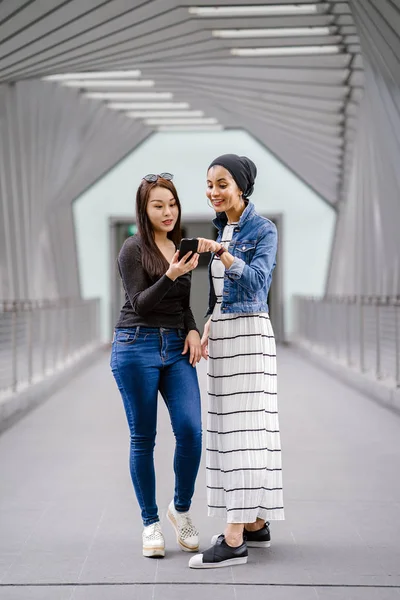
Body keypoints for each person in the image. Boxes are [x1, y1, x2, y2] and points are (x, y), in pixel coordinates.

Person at [189, 155, 284, 569]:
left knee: (246, 431)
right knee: (240, 428)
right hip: (226, 331)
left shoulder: (263, 229)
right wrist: (211, 320)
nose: (214, 191)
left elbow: (260, 282)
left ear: (241, 186)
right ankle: (256, 523)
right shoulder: (222, 227)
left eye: (222, 183)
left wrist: (224, 255)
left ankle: (233, 540)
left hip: (249, 334)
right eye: (209, 184)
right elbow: (220, 292)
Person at [110, 173, 202, 559]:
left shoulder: (180, 247)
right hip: (136, 346)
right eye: (158, 205)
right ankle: (150, 523)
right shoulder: (132, 248)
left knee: (191, 430)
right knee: (143, 438)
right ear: (144, 210)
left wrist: (194, 330)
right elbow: (141, 304)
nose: (167, 212)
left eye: (172, 204)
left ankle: (179, 510)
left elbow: (182, 304)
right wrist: (172, 273)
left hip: (177, 348)